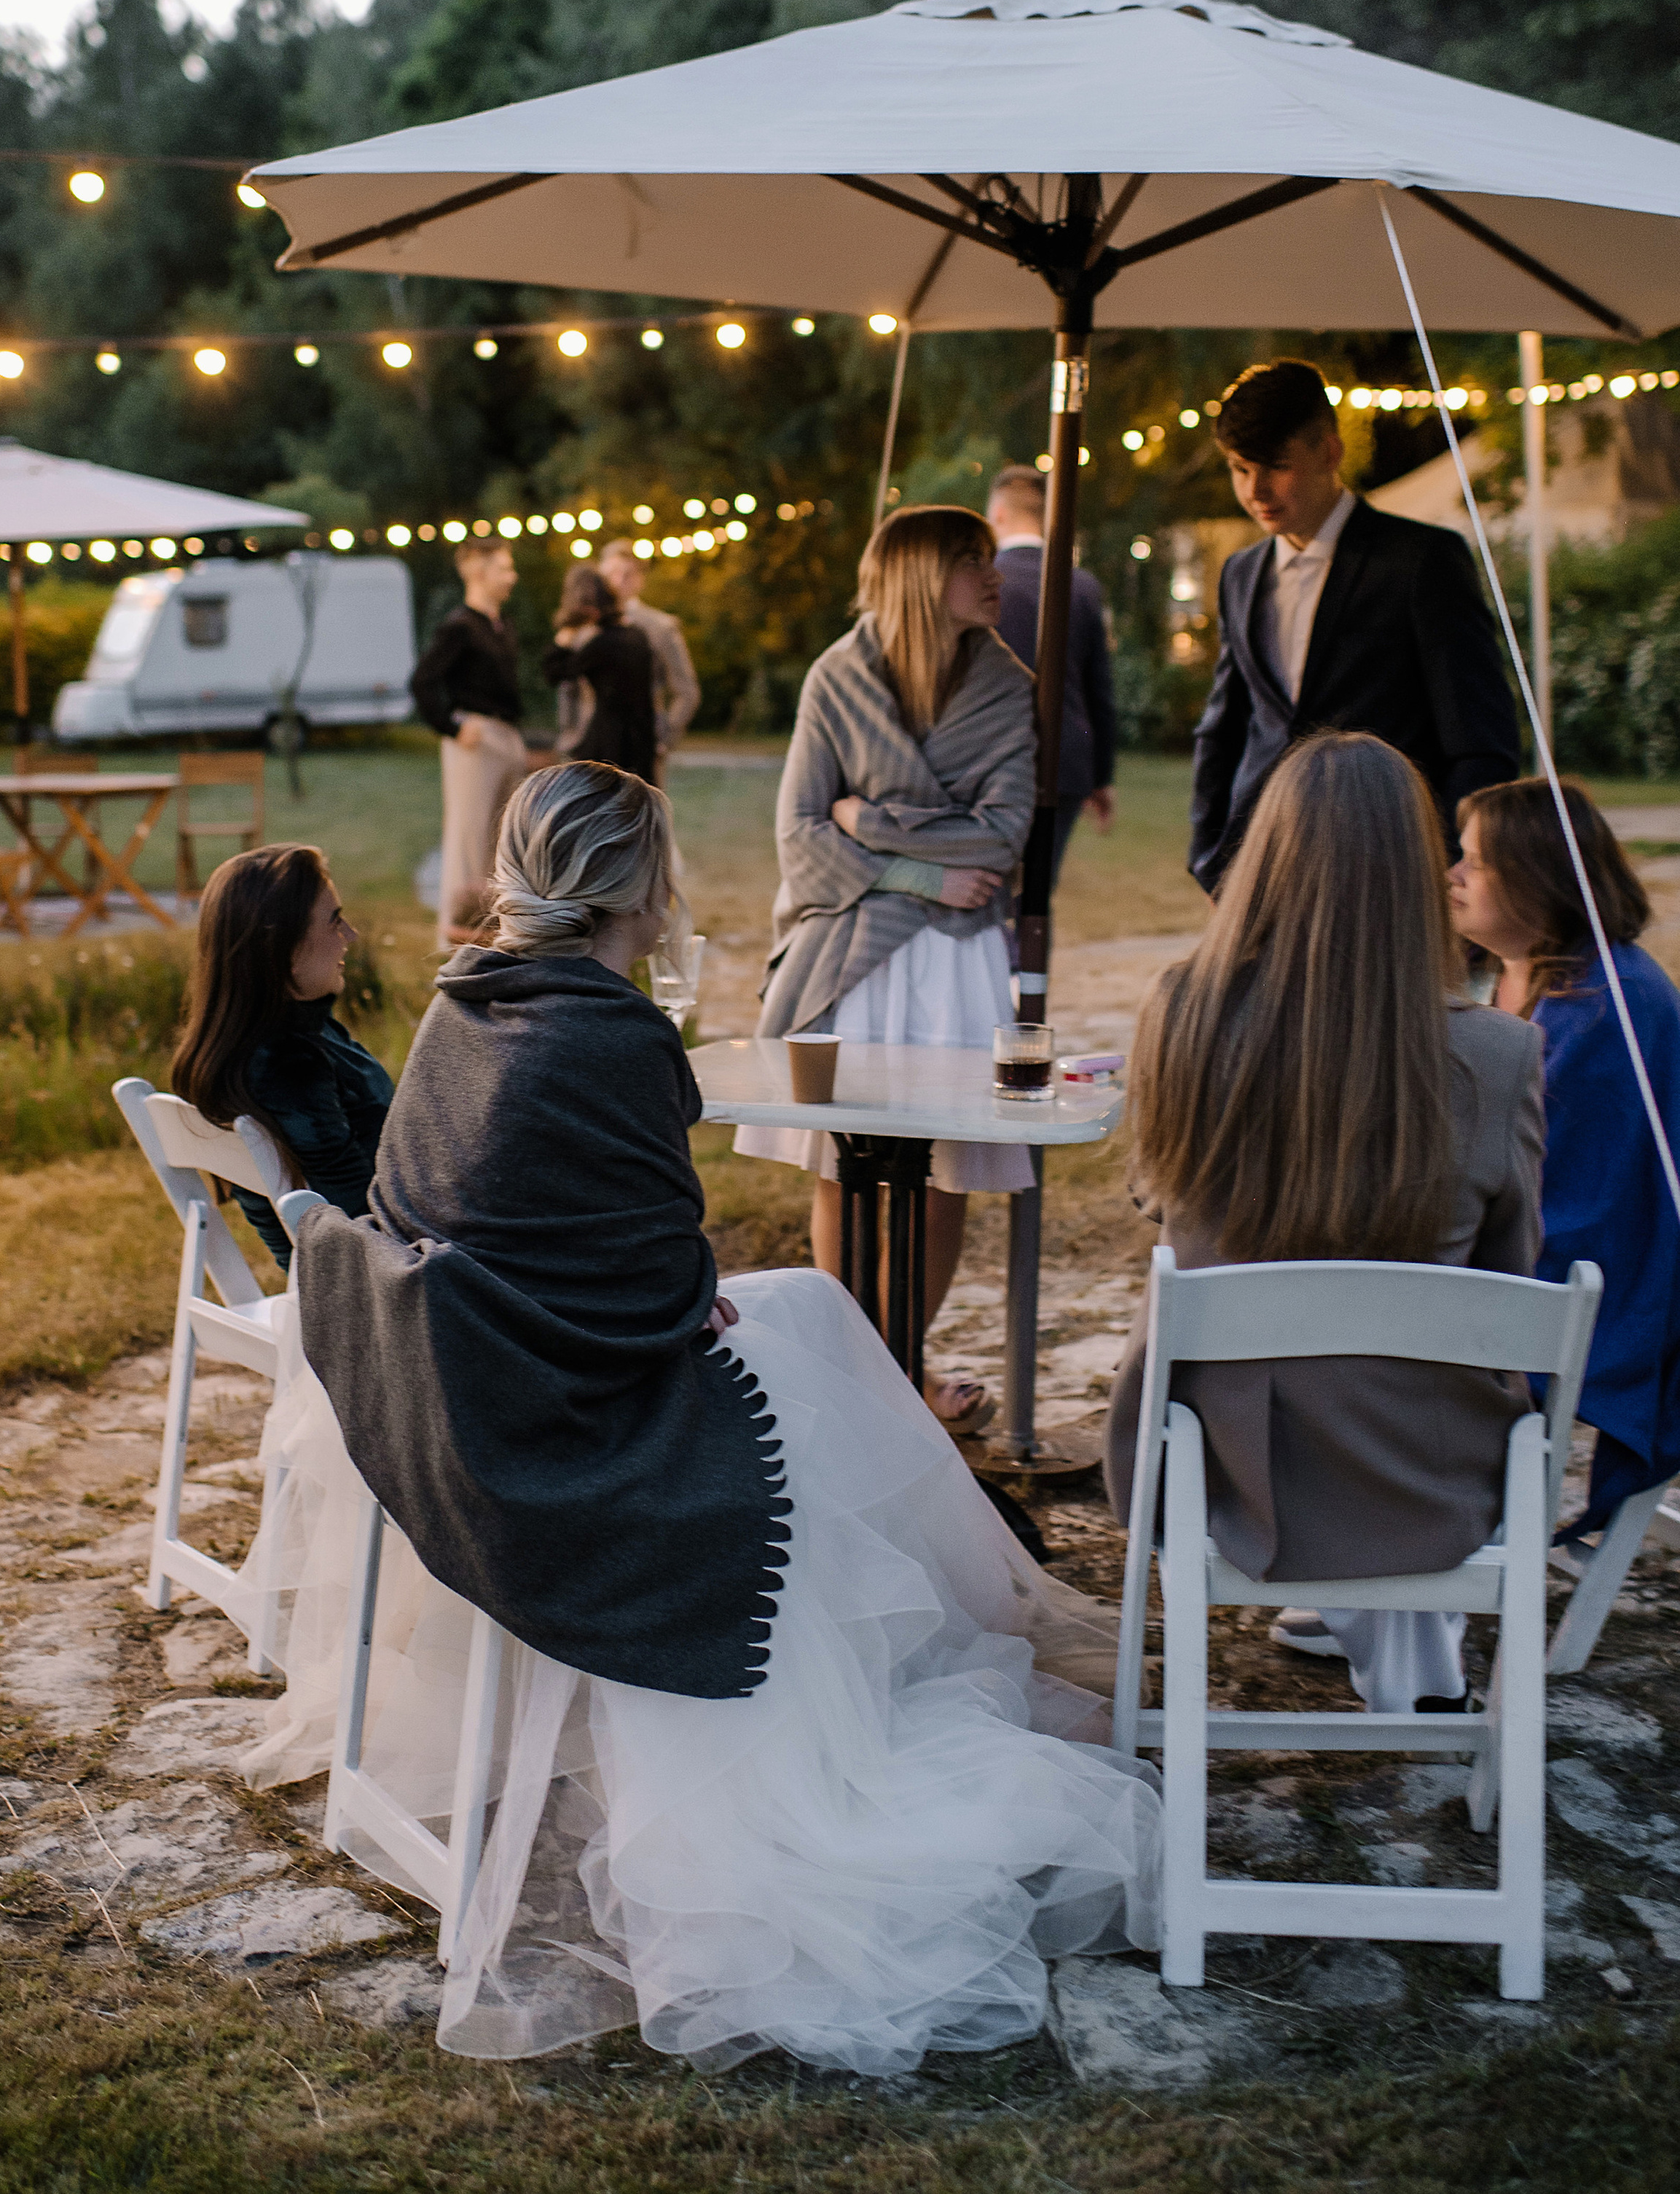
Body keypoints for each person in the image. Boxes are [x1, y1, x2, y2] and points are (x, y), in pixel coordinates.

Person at [245, 759, 1161, 2070]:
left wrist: (667, 1291)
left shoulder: (466, 1000)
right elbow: (655, 1270)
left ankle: (943, 1634)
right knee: (809, 1392)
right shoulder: (612, 1033)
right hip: (560, 1409)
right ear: (642, 886)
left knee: (817, 1312)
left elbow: (484, 1213)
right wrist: (671, 1295)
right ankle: (899, 1675)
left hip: (460, 1375)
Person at [1106, 731, 1544, 1715]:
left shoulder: (1181, 1011)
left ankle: (1369, 1625)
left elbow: (1158, 1197)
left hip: (1223, 1464)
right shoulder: (1501, 1053)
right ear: (1416, 874)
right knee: (1414, 1379)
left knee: (1304, 1368)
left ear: (1265, 858)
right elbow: (1509, 1276)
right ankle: (1410, 1663)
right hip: (1421, 1477)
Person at [734, 506, 1035, 1435]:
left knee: (943, 1168)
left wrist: (869, 822)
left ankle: (899, 1365)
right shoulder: (837, 676)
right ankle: (848, 1367)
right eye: (971, 561)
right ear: (917, 575)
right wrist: (921, 874)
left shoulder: (1006, 685)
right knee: (845, 1162)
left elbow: (1003, 833)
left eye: (989, 558)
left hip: (956, 957)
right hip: (857, 952)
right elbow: (799, 831)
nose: (992, 576)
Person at [1188, 359, 1518, 892]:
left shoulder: (1421, 561)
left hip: (1389, 861)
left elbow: (1480, 738)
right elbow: (1225, 726)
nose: (1256, 491)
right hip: (1261, 866)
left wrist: (1442, 866)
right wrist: (1208, 858)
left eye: (1276, 467)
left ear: (1329, 451)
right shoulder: (1240, 574)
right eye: (1240, 469)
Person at [1450, 776, 1680, 1541]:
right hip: (1522, 1248)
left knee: (1364, 1312)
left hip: (1591, 1284)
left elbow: (1572, 1197)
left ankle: (1412, 1538)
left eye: (1475, 861)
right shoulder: (1502, 973)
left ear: (1535, 877)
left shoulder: (1607, 1002)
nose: (1452, 875)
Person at [169, 843, 393, 1269]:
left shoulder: (258, 1045)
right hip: (374, 1281)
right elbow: (357, 1222)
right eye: (334, 921)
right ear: (284, 948)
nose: (350, 936)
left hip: (345, 1271)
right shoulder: (287, 1065)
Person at [986, 463, 1116, 877]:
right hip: (1065, 759)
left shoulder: (983, 581)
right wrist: (1102, 776)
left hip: (991, 756)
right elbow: (1099, 689)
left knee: (994, 888)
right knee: (1038, 888)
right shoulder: (1083, 586)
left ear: (998, 514)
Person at [412, 540, 527, 947]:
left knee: (503, 841)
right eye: (503, 568)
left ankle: (497, 935)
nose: (512, 577)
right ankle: (456, 940)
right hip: (475, 741)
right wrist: (452, 727)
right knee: (469, 839)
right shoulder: (459, 626)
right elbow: (422, 682)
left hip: (507, 735)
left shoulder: (502, 625)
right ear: (478, 571)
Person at [541, 563, 658, 783]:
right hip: (640, 745)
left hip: (609, 746)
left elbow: (554, 672)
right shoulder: (636, 636)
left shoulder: (602, 644)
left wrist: (566, 634)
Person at [600, 536, 701, 777]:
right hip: (593, 745)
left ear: (640, 579)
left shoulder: (661, 627)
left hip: (641, 744)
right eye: (611, 573)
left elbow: (687, 691)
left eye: (627, 574)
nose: (618, 581)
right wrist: (571, 734)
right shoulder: (587, 624)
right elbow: (569, 687)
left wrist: (664, 737)